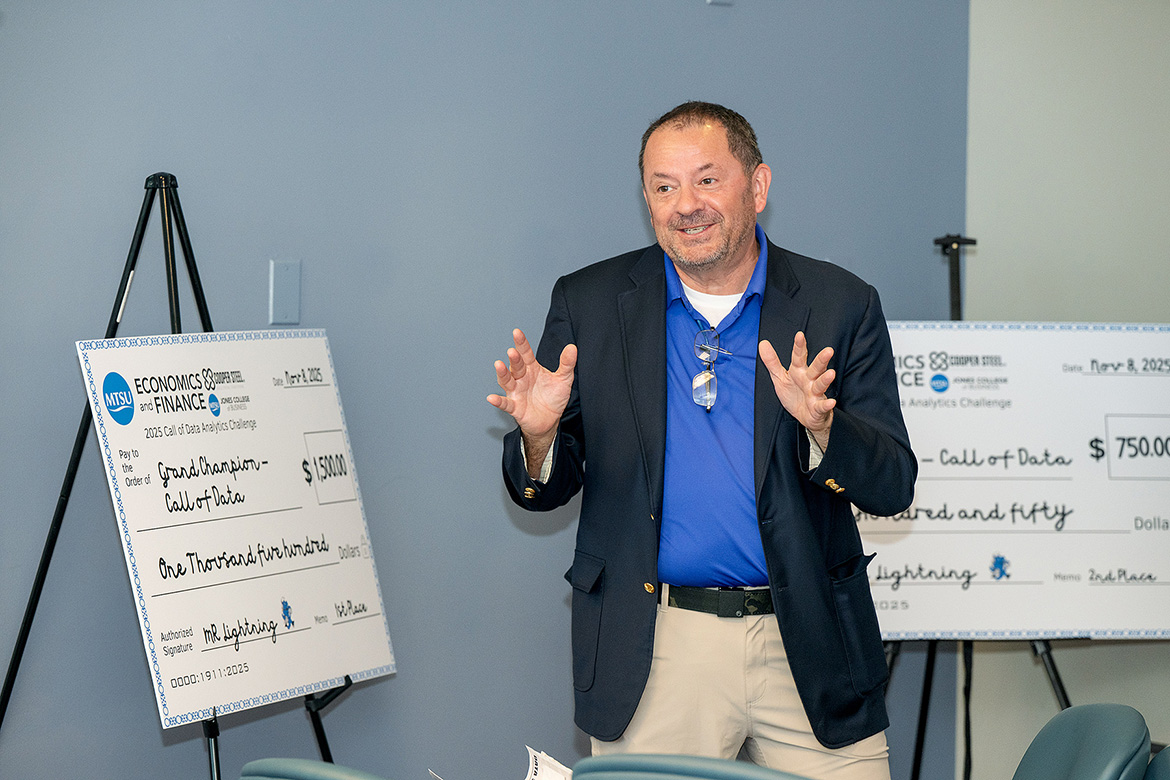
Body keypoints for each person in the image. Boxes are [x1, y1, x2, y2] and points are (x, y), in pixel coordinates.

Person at [487, 101, 916, 780]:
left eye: (708, 180)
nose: (685, 204)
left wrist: (824, 427)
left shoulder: (840, 303)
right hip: (654, 647)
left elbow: (893, 485)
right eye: (663, 186)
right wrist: (538, 438)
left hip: (809, 642)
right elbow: (547, 487)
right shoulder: (591, 302)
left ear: (759, 186)